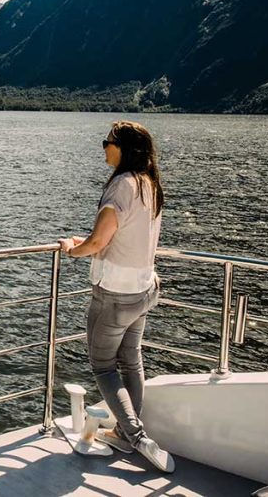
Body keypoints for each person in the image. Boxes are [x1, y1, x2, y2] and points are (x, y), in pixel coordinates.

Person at [59, 120, 175, 473]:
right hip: (143, 289)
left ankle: (136, 437)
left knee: (103, 366)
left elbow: (98, 242)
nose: (104, 147)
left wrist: (71, 249)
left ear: (124, 149)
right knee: (131, 360)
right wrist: (92, 243)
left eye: (107, 142)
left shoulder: (120, 186)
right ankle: (126, 436)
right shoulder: (149, 184)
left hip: (115, 295)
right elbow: (118, 237)